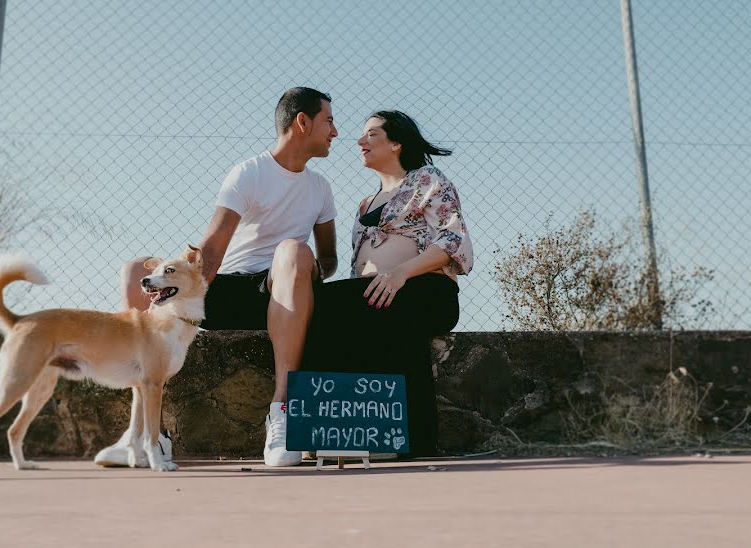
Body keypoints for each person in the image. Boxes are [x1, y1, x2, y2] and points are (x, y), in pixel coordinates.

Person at [94, 87, 339, 468]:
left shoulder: (321, 189)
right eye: (329, 120)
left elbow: (329, 259)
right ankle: (148, 433)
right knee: (133, 272)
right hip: (226, 291)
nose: (335, 131)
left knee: (292, 250)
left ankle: (282, 414)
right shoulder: (250, 172)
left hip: (282, 294)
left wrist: (302, 269)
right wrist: (176, 290)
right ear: (302, 122)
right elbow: (213, 247)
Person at [303, 110, 473, 456]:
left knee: (361, 308)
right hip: (376, 292)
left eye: (372, 135)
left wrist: (400, 274)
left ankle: (403, 440)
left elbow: (453, 241)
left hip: (427, 289)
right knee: (319, 306)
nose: (360, 141)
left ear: (396, 142)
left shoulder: (428, 180)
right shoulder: (366, 203)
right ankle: (331, 431)